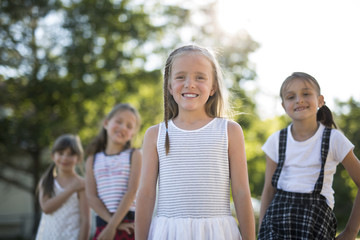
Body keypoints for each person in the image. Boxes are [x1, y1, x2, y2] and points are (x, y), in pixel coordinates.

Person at [135, 44, 256, 240]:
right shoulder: (154, 135)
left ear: (213, 87)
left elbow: (241, 193)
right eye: (180, 76)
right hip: (169, 233)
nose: (190, 84)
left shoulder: (230, 131)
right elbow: (146, 194)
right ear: (169, 85)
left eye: (200, 77)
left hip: (217, 233)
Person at [258, 72, 360, 239]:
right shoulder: (276, 140)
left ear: (320, 100)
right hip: (277, 224)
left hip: (315, 224)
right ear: (284, 106)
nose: (299, 100)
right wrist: (261, 231)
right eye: (291, 97)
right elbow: (269, 190)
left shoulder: (333, 139)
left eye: (306, 94)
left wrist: (351, 231)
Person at [85, 103, 142, 240]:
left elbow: (131, 192)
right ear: (106, 123)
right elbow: (91, 197)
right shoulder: (92, 160)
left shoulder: (134, 155)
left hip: (128, 226)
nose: (123, 127)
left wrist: (112, 226)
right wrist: (112, 225)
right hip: (103, 225)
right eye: (119, 122)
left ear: (133, 133)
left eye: (129, 126)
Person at [36, 134, 90, 240]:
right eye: (61, 153)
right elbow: (46, 208)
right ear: (53, 156)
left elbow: (85, 221)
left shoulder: (82, 184)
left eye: (70, 154)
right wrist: (71, 189)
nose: (65, 158)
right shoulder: (47, 181)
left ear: (78, 158)